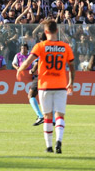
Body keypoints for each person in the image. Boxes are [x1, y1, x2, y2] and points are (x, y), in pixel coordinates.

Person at [16, 20, 75, 153]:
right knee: (60, 115)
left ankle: (49, 147)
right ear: (57, 31)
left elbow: (28, 62)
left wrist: (20, 70)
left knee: (47, 116)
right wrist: (71, 82)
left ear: (46, 31)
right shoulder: (65, 47)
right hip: (60, 85)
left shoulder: (40, 46)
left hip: (45, 86)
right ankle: (59, 142)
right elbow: (72, 67)